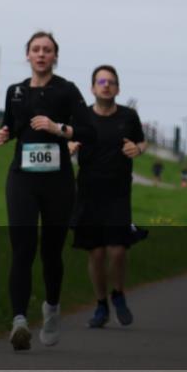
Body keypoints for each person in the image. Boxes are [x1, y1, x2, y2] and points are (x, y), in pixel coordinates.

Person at [0, 31, 96, 350]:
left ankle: (51, 309)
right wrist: (4, 134)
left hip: (58, 181)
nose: (41, 54)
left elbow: (89, 130)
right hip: (22, 178)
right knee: (22, 248)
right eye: (35, 49)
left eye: (47, 50)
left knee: (51, 252)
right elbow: (13, 125)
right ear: (27, 55)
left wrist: (58, 129)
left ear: (55, 56)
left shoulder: (66, 90)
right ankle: (19, 321)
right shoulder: (16, 91)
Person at [68, 65, 147, 328]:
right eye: (101, 81)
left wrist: (138, 148)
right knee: (97, 253)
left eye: (111, 81)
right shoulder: (82, 118)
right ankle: (101, 304)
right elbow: (67, 138)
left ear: (118, 88)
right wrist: (69, 144)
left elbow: (142, 141)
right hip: (89, 193)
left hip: (118, 193)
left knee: (117, 250)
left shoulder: (128, 116)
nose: (106, 85)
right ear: (92, 88)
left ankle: (119, 294)